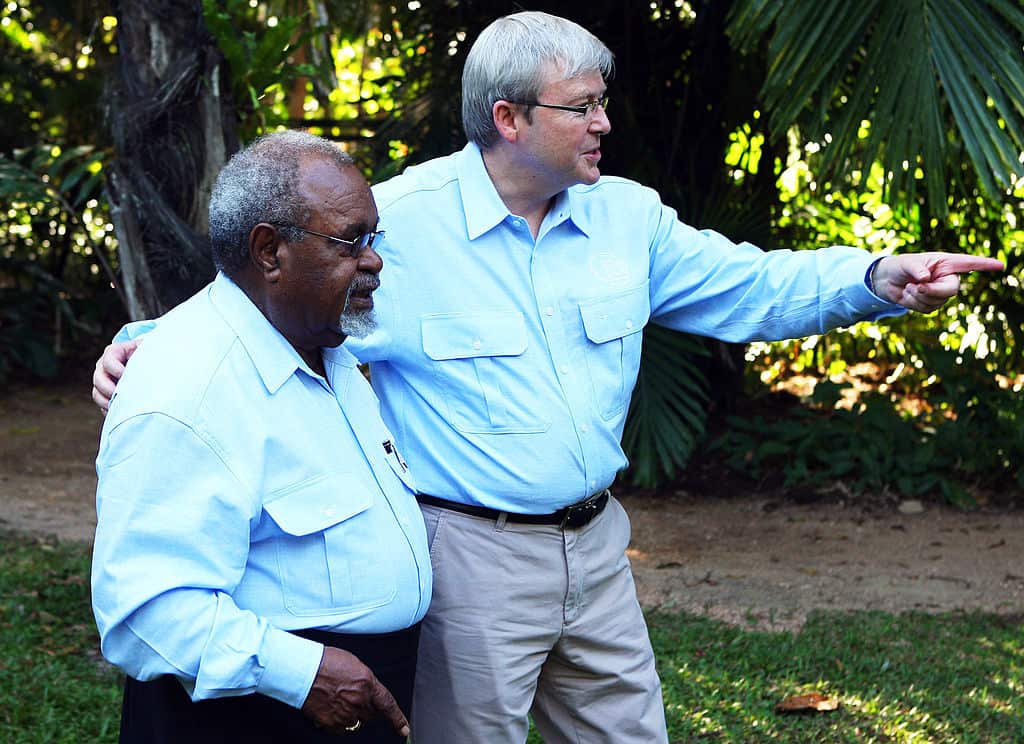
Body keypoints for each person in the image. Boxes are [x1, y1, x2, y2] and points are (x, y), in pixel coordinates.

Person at [93, 12, 1005, 744]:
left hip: (598, 549)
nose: (606, 122)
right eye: (584, 106)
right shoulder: (398, 221)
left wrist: (876, 280)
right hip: (471, 559)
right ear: (509, 118)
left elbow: (750, 285)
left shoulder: (628, 219)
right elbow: (263, 293)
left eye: (604, 102)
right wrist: (142, 344)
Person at [90, 130, 432, 744]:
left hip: (347, 698)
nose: (374, 260)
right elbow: (145, 612)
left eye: (373, 238)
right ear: (269, 252)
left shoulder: (325, 344)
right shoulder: (187, 391)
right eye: (351, 241)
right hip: (257, 714)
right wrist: (304, 674)